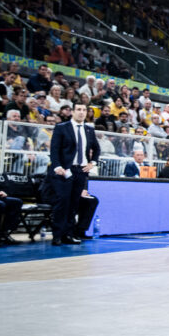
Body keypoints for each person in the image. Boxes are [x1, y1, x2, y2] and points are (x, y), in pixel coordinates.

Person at [47, 101, 100, 246]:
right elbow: (54, 149)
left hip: (80, 170)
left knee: (74, 204)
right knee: (62, 203)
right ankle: (57, 235)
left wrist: (92, 163)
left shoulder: (89, 129)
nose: (81, 112)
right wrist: (57, 166)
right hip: (64, 170)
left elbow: (96, 149)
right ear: (72, 111)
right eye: (78, 109)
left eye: (84, 109)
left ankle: (69, 234)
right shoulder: (61, 127)